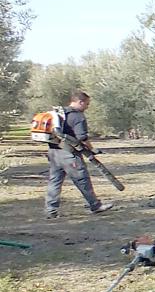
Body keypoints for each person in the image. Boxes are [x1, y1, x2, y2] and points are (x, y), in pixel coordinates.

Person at [44, 90, 113, 218]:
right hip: (69, 155)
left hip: (54, 153)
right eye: (86, 104)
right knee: (82, 180)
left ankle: (51, 211)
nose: (87, 107)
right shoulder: (78, 116)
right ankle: (95, 205)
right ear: (80, 102)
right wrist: (92, 149)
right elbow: (82, 137)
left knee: (54, 181)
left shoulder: (60, 113)